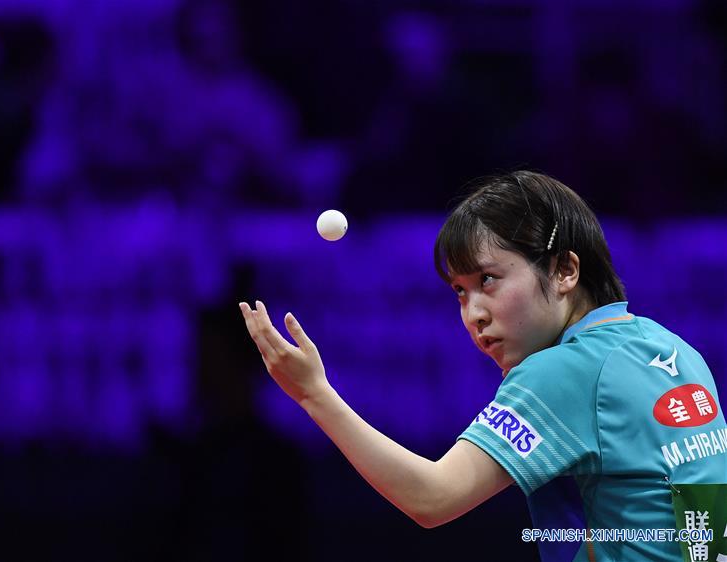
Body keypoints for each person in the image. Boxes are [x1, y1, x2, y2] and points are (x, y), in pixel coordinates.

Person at [238, 170, 727, 562]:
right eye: (460, 291)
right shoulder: (674, 350)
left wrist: (313, 395)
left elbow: (432, 498)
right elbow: (702, 529)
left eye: (489, 279)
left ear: (564, 271)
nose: (473, 314)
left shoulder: (565, 371)